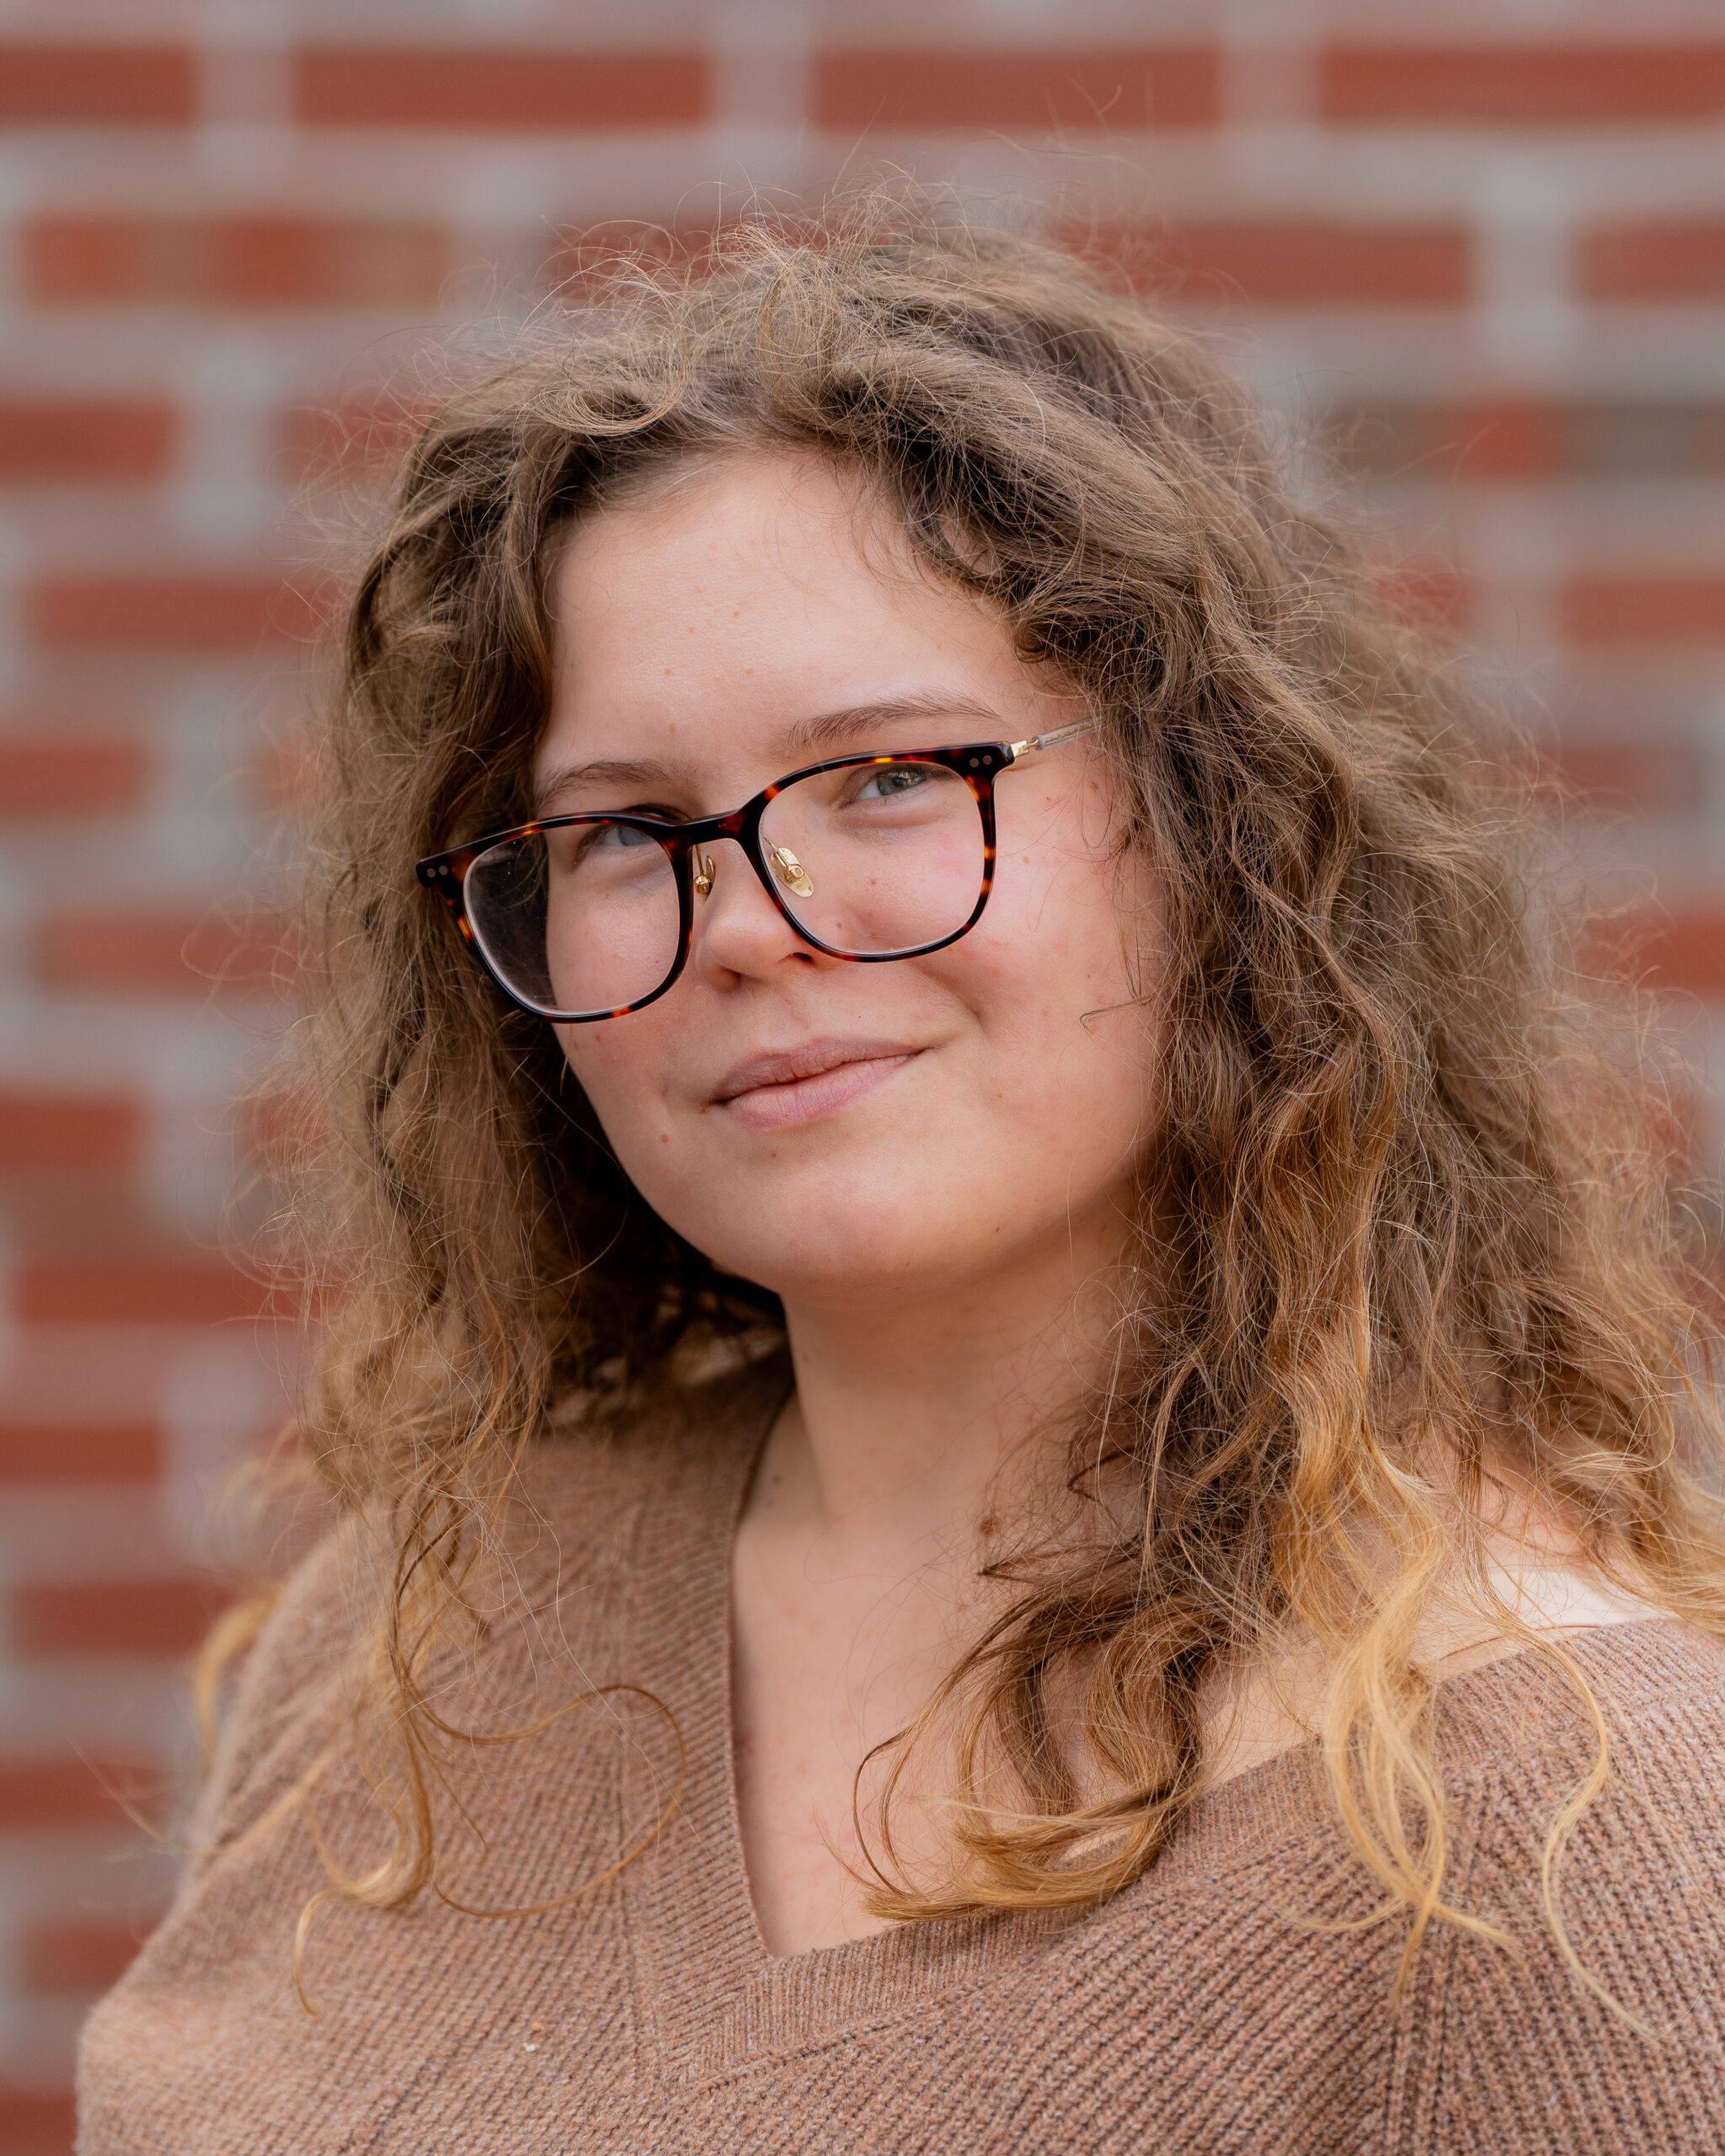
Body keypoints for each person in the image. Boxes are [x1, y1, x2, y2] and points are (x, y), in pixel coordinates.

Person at [78, 216, 1725, 2153]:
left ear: (1221, 824)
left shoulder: (1574, 1825)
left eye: (887, 774)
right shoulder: (438, 1611)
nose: (747, 924)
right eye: (624, 828)